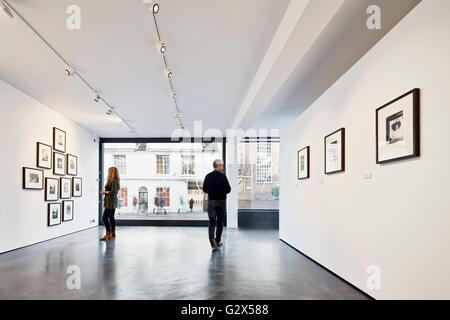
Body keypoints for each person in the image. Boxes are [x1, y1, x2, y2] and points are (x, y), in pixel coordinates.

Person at [203, 159, 231, 250]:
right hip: (221, 202)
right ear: (219, 166)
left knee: (212, 222)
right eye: (222, 166)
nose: (222, 167)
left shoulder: (208, 176)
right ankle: (218, 241)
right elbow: (228, 189)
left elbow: (204, 189)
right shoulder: (223, 177)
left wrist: (212, 192)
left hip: (211, 202)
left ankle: (212, 242)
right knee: (219, 222)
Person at [100, 167, 120, 241]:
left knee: (105, 218)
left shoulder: (114, 181)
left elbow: (113, 192)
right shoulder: (114, 181)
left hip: (110, 202)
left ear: (111, 172)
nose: (108, 173)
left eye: (109, 171)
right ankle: (112, 232)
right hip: (111, 202)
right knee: (111, 217)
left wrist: (104, 192)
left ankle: (108, 234)